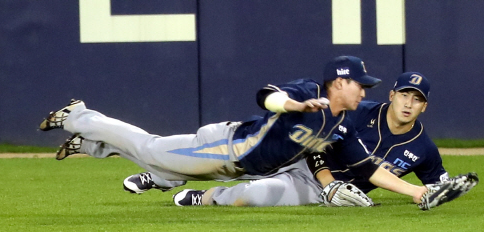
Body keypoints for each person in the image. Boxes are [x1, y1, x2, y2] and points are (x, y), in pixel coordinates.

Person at [40, 56, 439, 205]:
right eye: (360, 84)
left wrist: (419, 191)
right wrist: (291, 105)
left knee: (160, 168)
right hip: (225, 148)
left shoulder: (342, 123)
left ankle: (93, 146)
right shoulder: (310, 92)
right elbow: (265, 93)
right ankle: (81, 117)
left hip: (246, 168)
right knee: (150, 150)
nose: (364, 90)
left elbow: (366, 168)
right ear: (339, 84)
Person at [125, 72, 455, 207]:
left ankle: (204, 198)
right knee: (229, 160)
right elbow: (315, 143)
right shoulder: (358, 112)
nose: (408, 104)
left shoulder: (423, 148)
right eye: (405, 95)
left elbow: (439, 182)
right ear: (393, 94)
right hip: (305, 162)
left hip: (316, 190)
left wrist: (438, 191)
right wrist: (327, 181)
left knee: (255, 195)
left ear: (425, 106)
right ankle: (161, 175)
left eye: (417, 99)